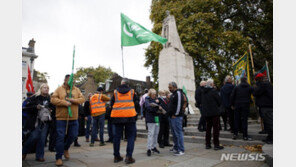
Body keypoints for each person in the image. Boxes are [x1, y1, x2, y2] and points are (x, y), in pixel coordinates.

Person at [51, 74, 85, 166]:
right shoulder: (59, 89)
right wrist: (64, 102)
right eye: (70, 80)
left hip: (73, 118)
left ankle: (65, 148)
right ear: (65, 80)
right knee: (60, 137)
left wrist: (73, 100)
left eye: (73, 81)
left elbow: (82, 99)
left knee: (73, 136)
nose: (72, 82)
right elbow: (53, 99)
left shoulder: (77, 90)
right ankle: (58, 157)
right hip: (61, 118)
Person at [22, 83, 55, 162]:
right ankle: (24, 152)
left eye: (47, 88)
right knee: (33, 137)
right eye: (44, 87)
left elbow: (53, 107)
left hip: (45, 122)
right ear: (41, 89)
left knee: (42, 139)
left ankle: (40, 156)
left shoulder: (50, 98)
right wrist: (36, 107)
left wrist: (51, 110)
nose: (46, 89)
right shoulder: (35, 97)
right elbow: (26, 107)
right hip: (35, 121)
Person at [110, 78, 137, 164]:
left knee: (116, 137)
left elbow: (111, 104)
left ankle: (116, 156)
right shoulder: (132, 92)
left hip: (117, 117)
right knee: (130, 137)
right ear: (128, 84)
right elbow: (137, 104)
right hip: (130, 116)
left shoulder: (115, 92)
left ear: (121, 83)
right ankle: (129, 157)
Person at [199, 79, 224, 150]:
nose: (213, 84)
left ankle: (208, 144)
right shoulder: (213, 91)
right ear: (211, 84)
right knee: (215, 129)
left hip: (207, 113)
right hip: (214, 113)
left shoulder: (203, 92)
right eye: (213, 83)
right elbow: (219, 101)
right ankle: (216, 145)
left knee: (208, 129)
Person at [253, 74, 273, 144]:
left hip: (266, 106)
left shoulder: (263, 85)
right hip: (267, 106)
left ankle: (271, 138)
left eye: (256, 79)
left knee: (269, 123)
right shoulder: (267, 84)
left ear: (258, 79)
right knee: (268, 122)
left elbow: (255, 93)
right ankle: (269, 137)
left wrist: (255, 87)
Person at [167, 82, 185, 156]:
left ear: (174, 87)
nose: (169, 89)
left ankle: (181, 150)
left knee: (178, 133)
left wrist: (175, 114)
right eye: (169, 87)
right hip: (171, 116)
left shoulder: (178, 93)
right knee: (174, 134)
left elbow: (179, 105)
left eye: (170, 87)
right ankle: (176, 147)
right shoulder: (173, 94)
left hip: (176, 117)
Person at [145, 89, 161, 156]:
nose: (155, 95)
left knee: (156, 133)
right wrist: (157, 107)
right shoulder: (147, 99)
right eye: (153, 94)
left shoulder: (157, 100)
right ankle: (149, 148)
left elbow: (160, 106)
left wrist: (158, 105)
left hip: (156, 118)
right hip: (150, 118)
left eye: (155, 94)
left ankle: (154, 147)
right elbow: (149, 108)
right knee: (151, 134)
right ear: (150, 94)